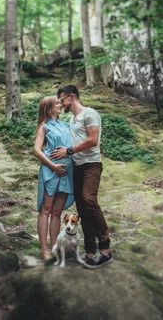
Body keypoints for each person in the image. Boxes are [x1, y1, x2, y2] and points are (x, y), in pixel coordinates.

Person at [50, 85, 113, 269]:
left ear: (71, 97)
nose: (61, 103)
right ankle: (91, 252)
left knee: (89, 199)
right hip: (77, 167)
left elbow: (93, 140)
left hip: (91, 165)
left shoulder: (89, 113)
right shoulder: (71, 120)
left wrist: (69, 151)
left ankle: (105, 246)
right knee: (82, 209)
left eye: (62, 100)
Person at [33, 96, 75, 261]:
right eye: (56, 103)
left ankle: (54, 248)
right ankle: (43, 249)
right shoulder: (44, 127)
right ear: (48, 107)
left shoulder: (66, 126)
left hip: (66, 173)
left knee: (57, 211)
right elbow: (37, 150)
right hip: (51, 172)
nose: (60, 105)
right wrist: (53, 167)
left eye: (59, 103)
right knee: (46, 209)